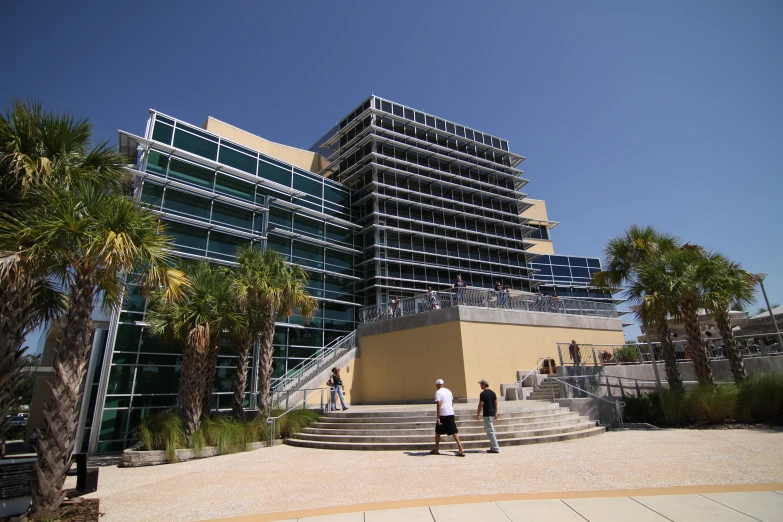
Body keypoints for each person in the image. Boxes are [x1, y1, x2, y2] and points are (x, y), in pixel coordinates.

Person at [430, 379, 464, 457]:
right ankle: (460, 448)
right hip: (450, 413)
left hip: (443, 414)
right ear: (443, 384)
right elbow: (452, 402)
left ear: (437, 385)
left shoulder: (438, 392)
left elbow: (438, 404)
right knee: (454, 431)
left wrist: (438, 417)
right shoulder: (449, 391)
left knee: (438, 432)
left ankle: (436, 449)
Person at [476, 379, 500, 453]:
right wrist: (495, 413)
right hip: (492, 413)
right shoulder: (493, 393)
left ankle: (495, 447)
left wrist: (478, 414)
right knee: (488, 429)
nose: (480, 385)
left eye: (481, 384)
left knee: (490, 431)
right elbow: (495, 403)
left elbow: (481, 404)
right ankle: (493, 446)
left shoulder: (483, 394)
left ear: (484, 384)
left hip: (487, 414)